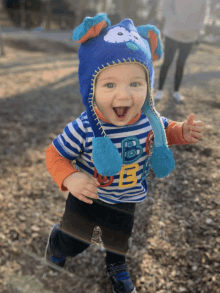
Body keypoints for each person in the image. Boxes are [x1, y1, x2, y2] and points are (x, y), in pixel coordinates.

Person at [44, 13, 204, 293]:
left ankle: (116, 264)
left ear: (148, 87)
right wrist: (70, 178)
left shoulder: (149, 119)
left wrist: (183, 132)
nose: (124, 96)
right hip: (87, 198)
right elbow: (54, 155)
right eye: (109, 84)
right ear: (90, 88)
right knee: (76, 241)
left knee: (119, 237)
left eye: (135, 84)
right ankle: (59, 241)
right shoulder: (84, 127)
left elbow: (167, 131)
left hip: (127, 196)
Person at [154, 0, 209, 102]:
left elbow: (203, 14)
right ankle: (160, 90)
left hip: (190, 36)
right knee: (167, 62)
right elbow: (166, 7)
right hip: (172, 32)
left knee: (181, 63)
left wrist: (196, 28)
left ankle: (176, 92)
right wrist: (176, 23)